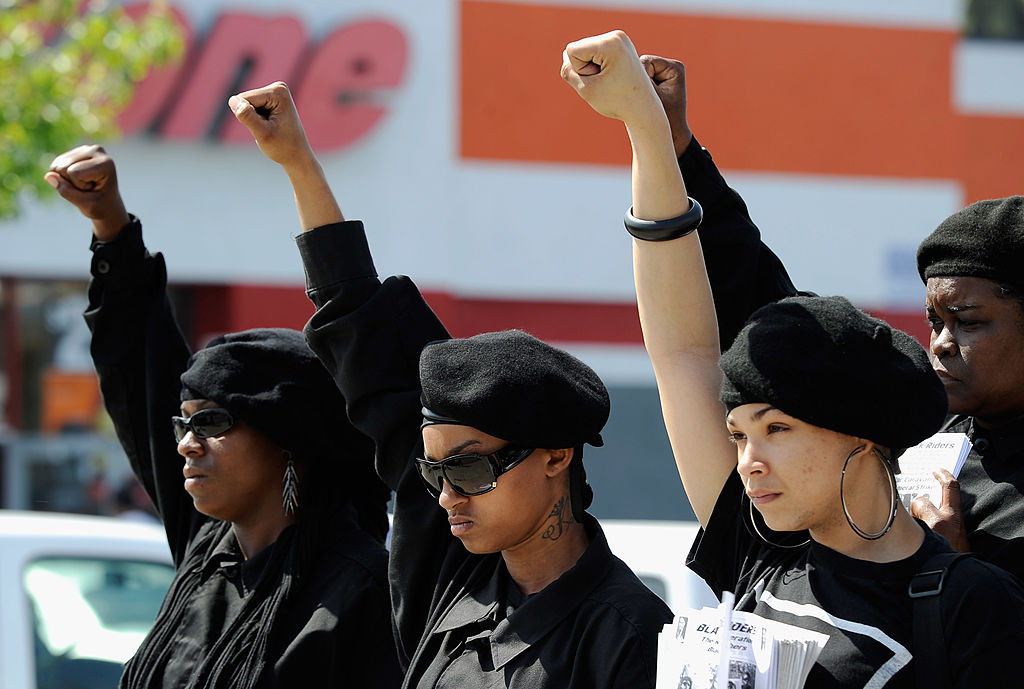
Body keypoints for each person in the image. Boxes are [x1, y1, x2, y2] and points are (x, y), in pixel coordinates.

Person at [562, 29, 1024, 687]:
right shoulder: (767, 551)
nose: (748, 459)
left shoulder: (971, 600)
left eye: (777, 428)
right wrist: (653, 137)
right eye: (739, 432)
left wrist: (953, 562)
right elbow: (691, 347)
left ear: (862, 433)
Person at [223, 81, 672, 687]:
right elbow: (370, 349)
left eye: (464, 470)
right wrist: (299, 164)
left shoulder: (633, 637)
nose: (444, 497)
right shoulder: (452, 576)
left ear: (556, 456)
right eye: (433, 473)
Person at [647, 54, 1024, 576]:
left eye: (969, 320)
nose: (940, 343)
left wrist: (953, 569)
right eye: (935, 321)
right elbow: (772, 314)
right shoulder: (914, 415)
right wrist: (674, 147)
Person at [44, 146, 401, 689]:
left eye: (210, 423)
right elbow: (140, 374)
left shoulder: (363, 591)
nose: (187, 444)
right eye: (182, 425)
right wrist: (110, 226)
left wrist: (299, 164)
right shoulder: (206, 551)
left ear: (289, 439)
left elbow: (370, 338)